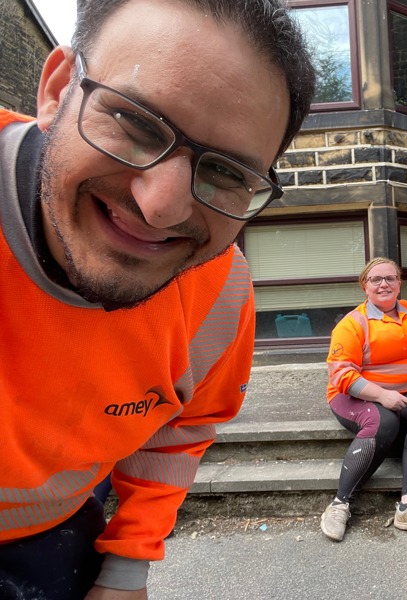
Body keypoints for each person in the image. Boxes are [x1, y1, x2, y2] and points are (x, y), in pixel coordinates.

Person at [0, 0, 314, 597]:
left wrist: (126, 566)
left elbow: (182, 426)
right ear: (58, 88)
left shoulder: (220, 289)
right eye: (137, 123)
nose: (161, 207)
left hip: (60, 539)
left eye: (227, 173)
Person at [321, 258, 407, 542]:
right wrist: (382, 395)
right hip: (357, 395)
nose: (384, 284)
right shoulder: (353, 323)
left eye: (390, 278)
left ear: (400, 283)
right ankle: (340, 504)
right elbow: (342, 375)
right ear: (365, 286)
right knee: (383, 421)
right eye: (376, 280)